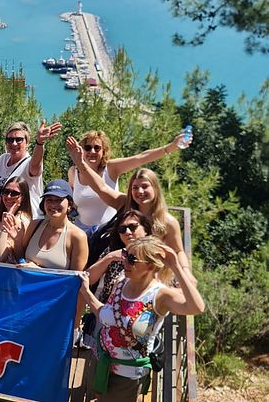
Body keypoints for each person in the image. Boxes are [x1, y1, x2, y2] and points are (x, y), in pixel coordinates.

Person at [78, 236, 204, 401]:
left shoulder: (160, 296)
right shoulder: (121, 282)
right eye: (125, 255)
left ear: (150, 265)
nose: (125, 262)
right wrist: (86, 293)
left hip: (128, 375)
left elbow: (196, 307)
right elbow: (106, 315)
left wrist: (176, 267)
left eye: (131, 259)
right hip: (100, 360)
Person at [65, 137, 194, 280]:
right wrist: (81, 163)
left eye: (145, 186)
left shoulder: (167, 221)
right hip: (120, 276)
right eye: (135, 187)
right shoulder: (124, 205)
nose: (140, 191)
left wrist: (186, 272)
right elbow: (100, 188)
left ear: (155, 189)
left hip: (152, 278)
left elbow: (178, 251)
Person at [67, 130, 191, 232]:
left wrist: (171, 147)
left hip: (108, 231)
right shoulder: (73, 172)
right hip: (81, 231)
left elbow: (140, 158)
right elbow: (71, 199)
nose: (92, 151)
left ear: (103, 151)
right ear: (81, 150)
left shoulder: (111, 168)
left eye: (97, 148)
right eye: (88, 148)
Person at [82, 210, 153, 349]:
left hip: (136, 322)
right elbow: (88, 278)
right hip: (105, 315)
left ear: (145, 229)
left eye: (133, 227)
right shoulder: (113, 251)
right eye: (122, 229)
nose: (127, 232)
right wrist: (109, 258)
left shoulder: (153, 257)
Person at [0, 120, 63, 223]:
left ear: (27, 142)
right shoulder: (3, 158)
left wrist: (39, 143)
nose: (14, 143)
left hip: (23, 223)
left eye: (19, 140)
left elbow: (35, 165)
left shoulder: (29, 164)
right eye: (10, 140)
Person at [20, 179, 88, 271]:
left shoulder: (78, 236)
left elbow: (75, 279)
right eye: (49, 200)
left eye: (58, 200)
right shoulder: (34, 226)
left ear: (70, 204)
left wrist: (39, 271)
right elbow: (19, 257)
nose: (53, 205)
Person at [0, 177, 33, 263]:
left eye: (14, 193)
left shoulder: (19, 221)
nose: (9, 196)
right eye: (6, 192)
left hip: (4, 273)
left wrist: (5, 227)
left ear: (23, 197)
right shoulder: (9, 215)